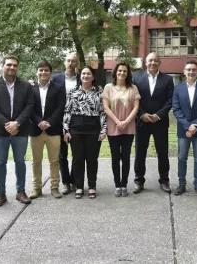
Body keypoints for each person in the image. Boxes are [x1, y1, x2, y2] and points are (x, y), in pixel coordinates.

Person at [0, 55, 35, 208]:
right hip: (0, 131)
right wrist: (7, 124)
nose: (12, 67)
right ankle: (0, 194)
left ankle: (21, 192)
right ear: (3, 66)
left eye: (14, 65)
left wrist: (17, 123)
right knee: (0, 162)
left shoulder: (26, 86)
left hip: (20, 130)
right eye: (9, 65)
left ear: (17, 67)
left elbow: (30, 106)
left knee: (20, 161)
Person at [132, 52, 174, 194]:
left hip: (160, 122)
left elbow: (170, 100)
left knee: (162, 152)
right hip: (142, 122)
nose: (153, 63)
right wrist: (142, 114)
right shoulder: (136, 78)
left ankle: (164, 180)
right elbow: (133, 99)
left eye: (156, 60)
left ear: (159, 63)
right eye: (150, 60)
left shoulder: (168, 79)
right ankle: (139, 180)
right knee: (140, 152)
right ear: (145, 62)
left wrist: (158, 115)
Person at [63, 66, 107, 199]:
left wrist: (103, 130)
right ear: (80, 76)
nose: (85, 76)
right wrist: (66, 130)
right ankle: (79, 186)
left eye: (88, 74)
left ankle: (92, 186)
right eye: (83, 73)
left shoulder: (99, 93)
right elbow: (67, 111)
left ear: (93, 77)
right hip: (75, 129)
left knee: (92, 159)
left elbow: (103, 113)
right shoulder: (72, 92)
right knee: (77, 160)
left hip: (93, 129)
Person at [172, 60, 197, 196]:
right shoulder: (178, 88)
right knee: (182, 157)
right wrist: (188, 126)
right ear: (184, 72)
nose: (191, 72)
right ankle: (181, 184)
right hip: (183, 130)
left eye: (193, 69)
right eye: (188, 69)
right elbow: (176, 110)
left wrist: (195, 125)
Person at [29, 60, 66, 199]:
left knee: (54, 160)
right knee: (36, 161)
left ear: (50, 72)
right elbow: (29, 108)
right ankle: (36, 188)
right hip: (35, 130)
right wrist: (39, 122)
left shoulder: (58, 88)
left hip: (53, 130)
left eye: (46, 70)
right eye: (41, 70)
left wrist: (49, 122)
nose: (43, 72)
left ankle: (55, 187)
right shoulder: (30, 88)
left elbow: (60, 108)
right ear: (36, 72)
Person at [102, 62, 140, 197]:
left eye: (124, 71)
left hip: (128, 128)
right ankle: (117, 185)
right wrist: (118, 121)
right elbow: (106, 107)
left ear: (127, 73)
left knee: (126, 157)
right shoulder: (108, 88)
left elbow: (136, 107)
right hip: (113, 128)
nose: (122, 73)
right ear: (115, 72)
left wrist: (126, 121)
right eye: (120, 71)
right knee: (115, 157)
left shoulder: (133, 88)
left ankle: (124, 184)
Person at [52, 53, 81, 195]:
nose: (70, 63)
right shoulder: (56, 79)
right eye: (68, 61)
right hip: (59, 121)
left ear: (77, 64)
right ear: (65, 63)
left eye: (73, 61)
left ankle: (75, 181)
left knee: (77, 153)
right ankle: (65, 182)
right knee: (61, 154)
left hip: (76, 121)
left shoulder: (82, 79)